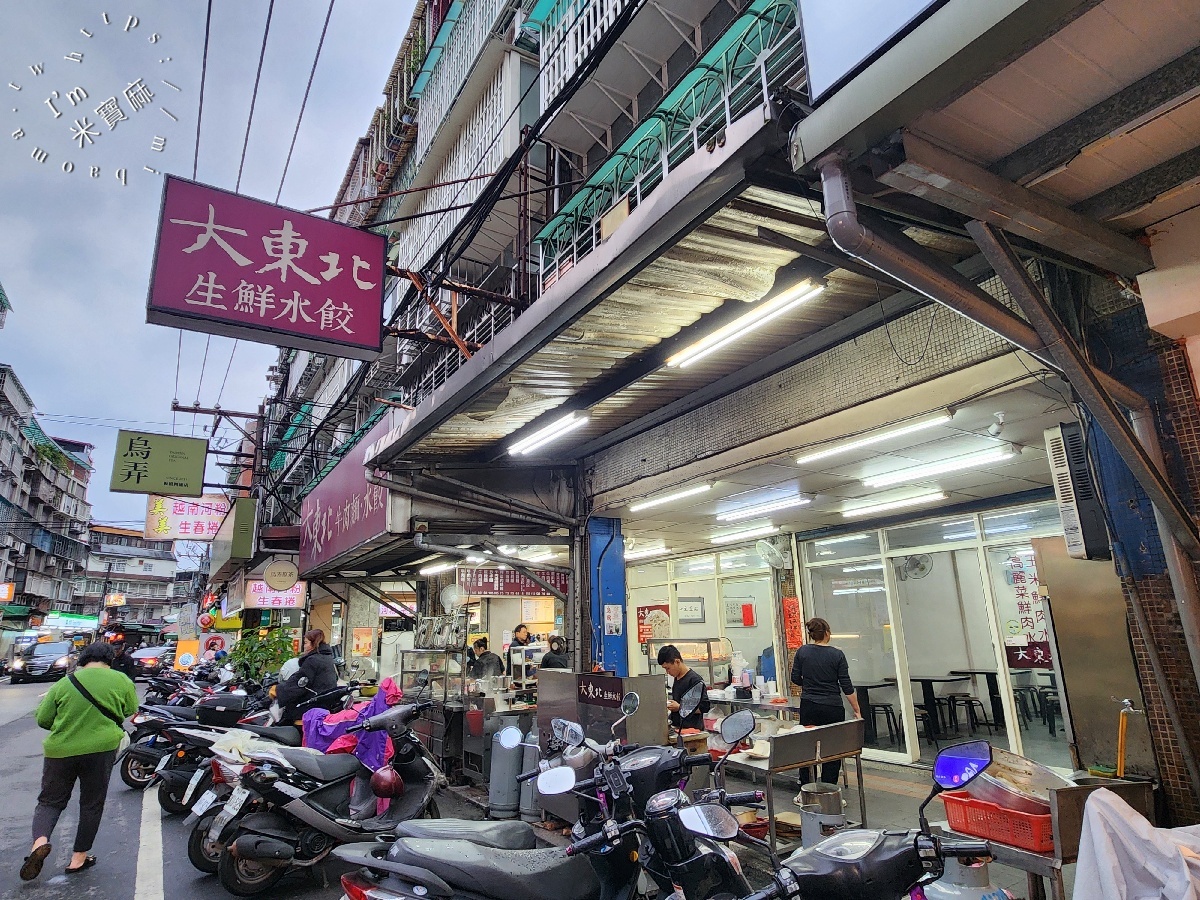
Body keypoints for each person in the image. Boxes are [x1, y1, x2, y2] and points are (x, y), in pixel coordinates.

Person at [22, 641, 138, 880]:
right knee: (91, 803)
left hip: (60, 751)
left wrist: (67, 726)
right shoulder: (121, 680)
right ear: (110, 660)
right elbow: (130, 709)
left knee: (50, 801)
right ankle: (78, 859)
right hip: (101, 749)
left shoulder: (64, 683)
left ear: (83, 659)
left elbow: (43, 719)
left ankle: (39, 843)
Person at [790, 617, 862, 786]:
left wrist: (808, 683)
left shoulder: (802, 652)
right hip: (832, 707)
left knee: (808, 747)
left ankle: (806, 789)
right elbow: (846, 685)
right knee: (832, 748)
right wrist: (856, 709)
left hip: (809, 705)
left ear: (812, 634)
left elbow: (795, 678)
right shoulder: (837, 654)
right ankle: (829, 789)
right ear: (827, 634)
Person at [276, 629, 340, 722]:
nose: (304, 646)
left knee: (286, 717)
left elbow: (299, 682)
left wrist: (277, 690)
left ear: (313, 644)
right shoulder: (327, 658)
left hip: (312, 706)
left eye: (306, 643)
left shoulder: (313, 660)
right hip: (324, 705)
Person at [657, 644, 710, 731]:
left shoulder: (694, 680)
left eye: (668, 668)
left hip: (692, 730)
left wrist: (680, 707)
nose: (667, 672)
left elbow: (704, 708)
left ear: (677, 662)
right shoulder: (676, 678)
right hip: (678, 728)